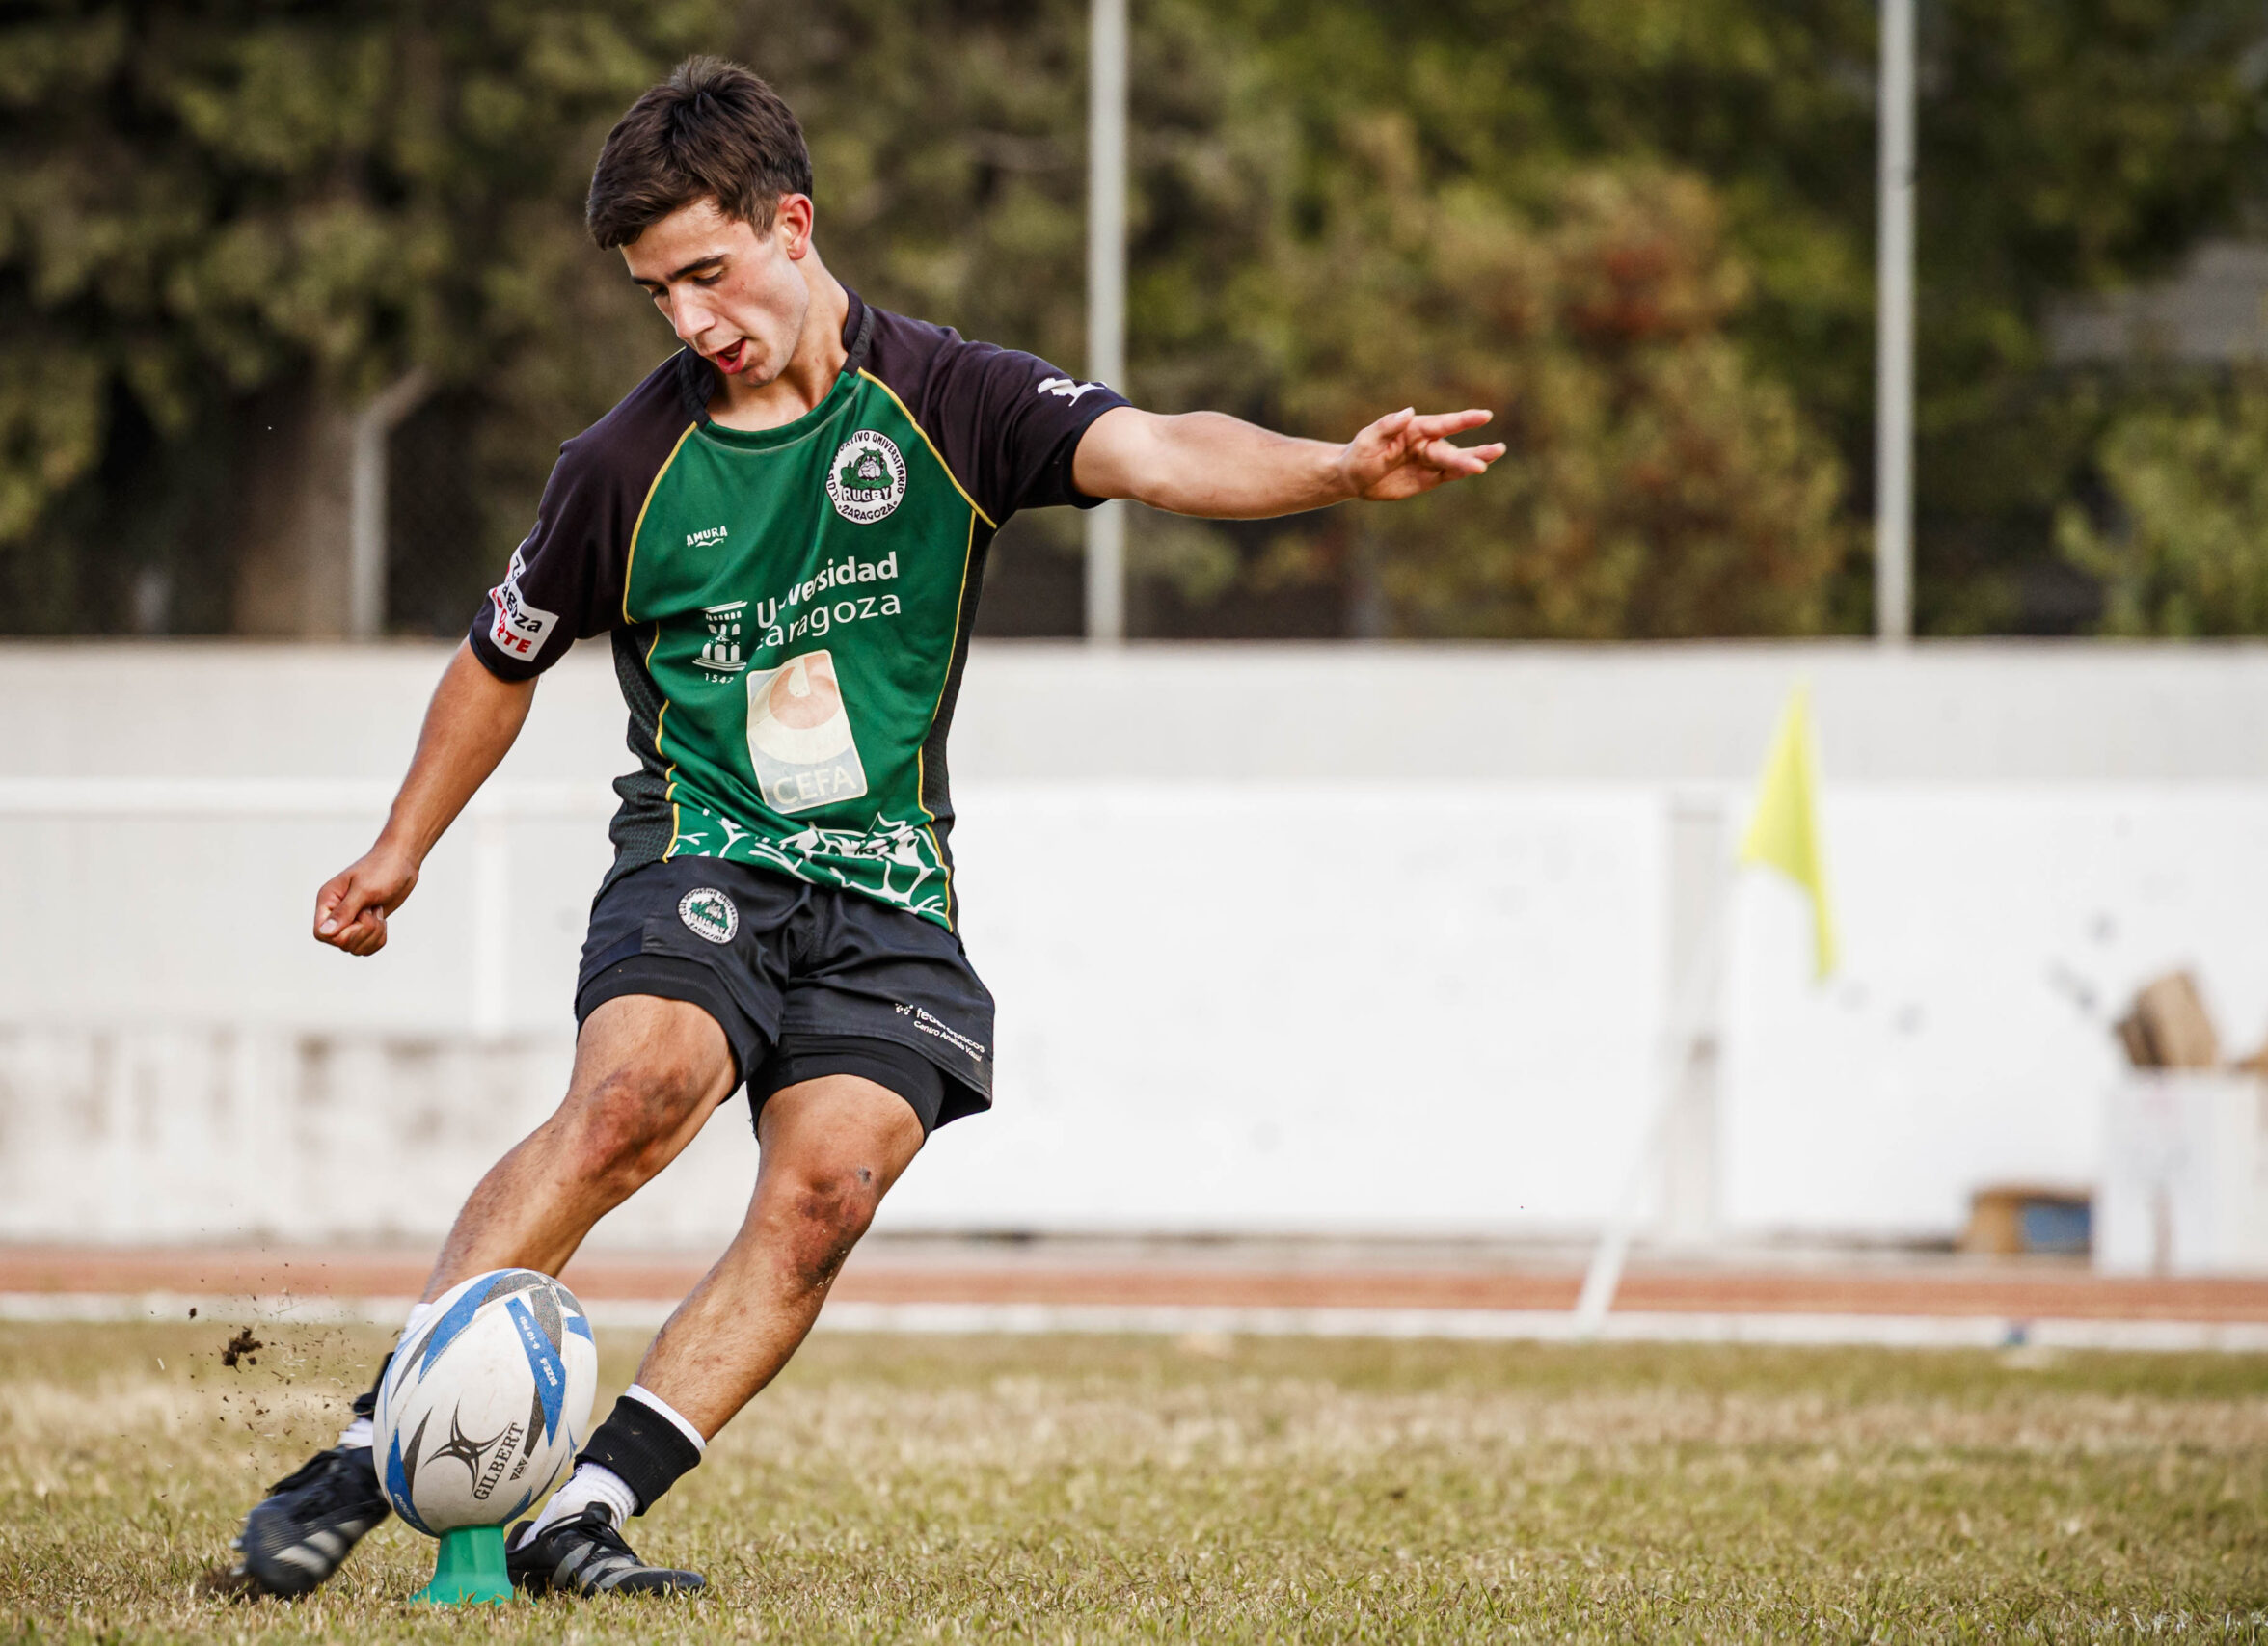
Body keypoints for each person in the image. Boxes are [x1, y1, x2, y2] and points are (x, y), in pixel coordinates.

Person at [227, 54, 1502, 1600]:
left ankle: (590, 1513)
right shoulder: (622, 466)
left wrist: (1338, 472)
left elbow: (1157, 451)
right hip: (703, 850)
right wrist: (398, 850)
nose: (692, 319)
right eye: (657, 293)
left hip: (889, 889)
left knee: (827, 1191)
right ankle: (374, 1447)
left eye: (707, 272)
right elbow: (501, 662)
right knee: (640, 1094)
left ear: (793, 224)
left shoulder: (955, 399)